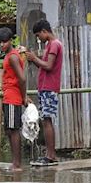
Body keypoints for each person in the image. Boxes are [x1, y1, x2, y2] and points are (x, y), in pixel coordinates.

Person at [25, 19, 63, 166]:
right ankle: (49, 154)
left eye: (38, 35)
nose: (38, 38)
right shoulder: (50, 45)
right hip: (45, 87)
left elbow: (48, 65)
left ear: (44, 32)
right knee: (45, 120)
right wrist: (34, 59)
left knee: (47, 120)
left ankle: (51, 155)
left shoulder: (54, 45)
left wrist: (34, 58)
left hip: (49, 87)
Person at [0, 27, 27, 171]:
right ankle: (15, 162)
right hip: (8, 97)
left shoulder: (13, 56)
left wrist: (24, 97)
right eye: (0, 42)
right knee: (9, 130)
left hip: (13, 97)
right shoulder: (9, 56)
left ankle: (17, 164)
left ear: (10, 41)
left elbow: (22, 78)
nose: (2, 45)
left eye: (4, 42)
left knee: (14, 130)